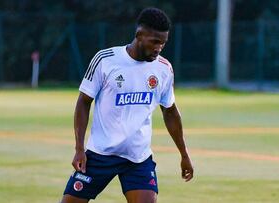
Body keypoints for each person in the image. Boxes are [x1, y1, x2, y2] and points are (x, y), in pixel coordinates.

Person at [61, 7, 194, 203]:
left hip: (138, 158)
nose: (158, 48)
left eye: (163, 43)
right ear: (139, 35)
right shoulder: (105, 60)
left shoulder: (163, 69)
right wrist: (79, 148)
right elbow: (83, 102)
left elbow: (170, 111)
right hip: (100, 154)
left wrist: (184, 154)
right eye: (155, 42)